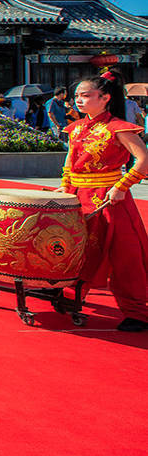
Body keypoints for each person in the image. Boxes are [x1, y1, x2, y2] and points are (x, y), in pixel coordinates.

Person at [60, 71, 148, 332]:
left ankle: (137, 312)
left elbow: (143, 160)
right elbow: (69, 161)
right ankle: (71, 297)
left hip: (110, 198)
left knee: (124, 254)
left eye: (86, 96)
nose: (79, 100)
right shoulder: (75, 128)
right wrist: (65, 186)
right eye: (77, 96)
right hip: (78, 197)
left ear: (106, 98)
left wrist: (122, 186)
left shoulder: (118, 127)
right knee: (78, 249)